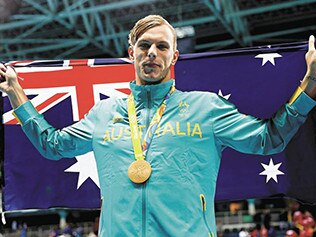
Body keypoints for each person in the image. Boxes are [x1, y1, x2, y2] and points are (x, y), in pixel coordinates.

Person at [0, 15, 316, 237]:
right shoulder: (104, 113)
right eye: (144, 45)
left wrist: (309, 84)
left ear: (174, 56)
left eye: (162, 47)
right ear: (131, 53)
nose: (152, 52)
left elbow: (267, 139)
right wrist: (16, 93)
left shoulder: (205, 108)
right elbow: (52, 145)